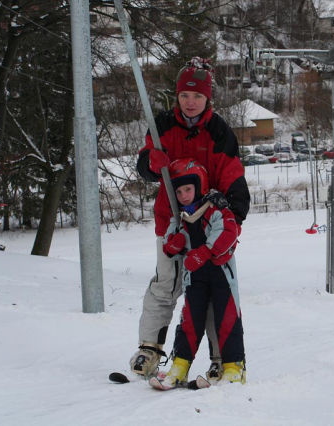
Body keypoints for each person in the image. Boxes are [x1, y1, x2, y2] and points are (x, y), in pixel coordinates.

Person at [132, 57, 250, 380]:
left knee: (213, 291)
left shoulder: (219, 132)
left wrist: (231, 220)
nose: (191, 102)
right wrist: (151, 164)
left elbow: (233, 178)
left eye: (197, 96)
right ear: (177, 97)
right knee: (166, 284)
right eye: (185, 95)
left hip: (209, 228)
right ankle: (150, 349)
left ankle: (219, 356)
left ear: (208, 98)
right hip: (171, 222)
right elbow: (143, 162)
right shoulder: (163, 125)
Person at [159, 159, 245, 387]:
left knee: (226, 320)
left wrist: (206, 252)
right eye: (178, 191)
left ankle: (234, 367)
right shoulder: (180, 218)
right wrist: (173, 245)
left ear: (200, 185)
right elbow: (168, 245)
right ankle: (179, 365)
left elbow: (228, 230)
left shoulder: (216, 209)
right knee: (189, 322)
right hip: (194, 279)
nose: (183, 195)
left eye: (188, 189)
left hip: (221, 276)